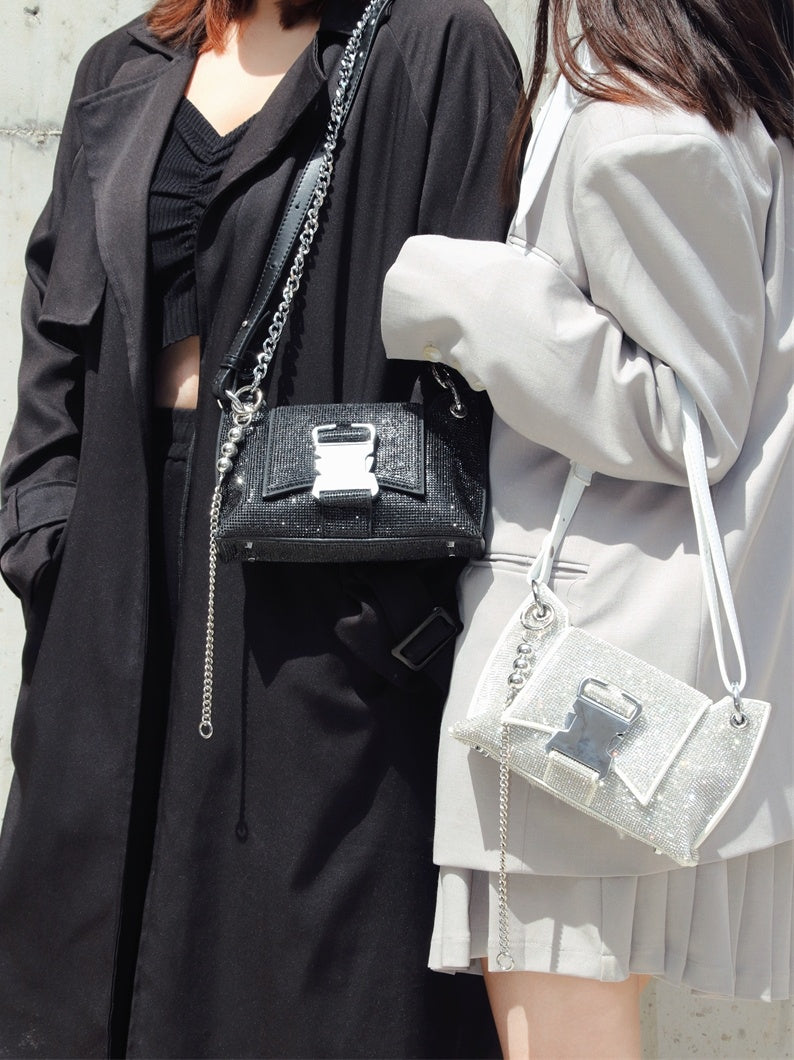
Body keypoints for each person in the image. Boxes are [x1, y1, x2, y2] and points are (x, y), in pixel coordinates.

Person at [0, 0, 521, 1055]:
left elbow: (483, 373)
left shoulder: (433, 47)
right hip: (112, 577)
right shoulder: (128, 63)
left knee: (298, 990)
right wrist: (45, 540)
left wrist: (384, 624)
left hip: (322, 604)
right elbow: (55, 337)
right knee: (78, 976)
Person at [381, 0, 794, 1055]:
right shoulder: (687, 97)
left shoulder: (641, 120)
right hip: (624, 665)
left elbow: (687, 415)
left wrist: (465, 292)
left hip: (580, 688)